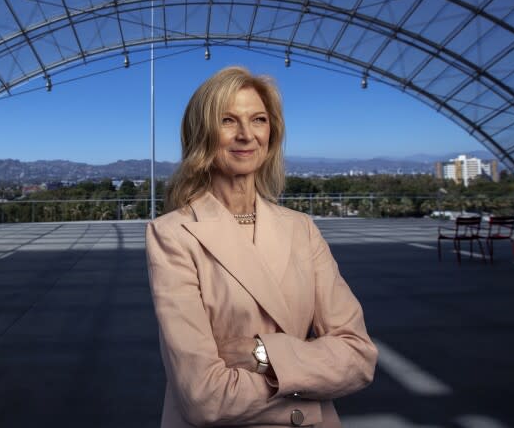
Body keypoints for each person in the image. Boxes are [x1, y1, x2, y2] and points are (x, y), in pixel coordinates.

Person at [146, 66, 377, 427]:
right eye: (227, 120)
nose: (246, 135)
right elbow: (204, 398)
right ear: (202, 133)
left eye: (258, 120)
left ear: (272, 132)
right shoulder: (173, 234)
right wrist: (309, 380)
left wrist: (265, 355)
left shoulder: (301, 229)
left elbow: (359, 357)